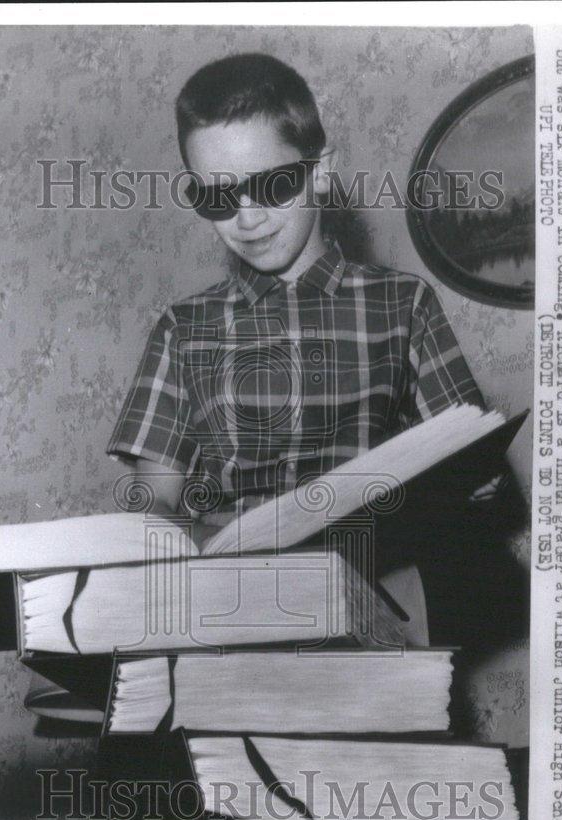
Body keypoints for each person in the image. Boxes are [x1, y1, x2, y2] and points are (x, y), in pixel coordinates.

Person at [107, 52, 497, 544]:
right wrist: (181, 533)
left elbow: (468, 459)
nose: (246, 220)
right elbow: (155, 500)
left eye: (271, 186)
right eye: (218, 198)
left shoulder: (405, 305)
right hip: (231, 590)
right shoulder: (182, 328)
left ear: (320, 171)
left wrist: (476, 481)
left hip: (379, 580)